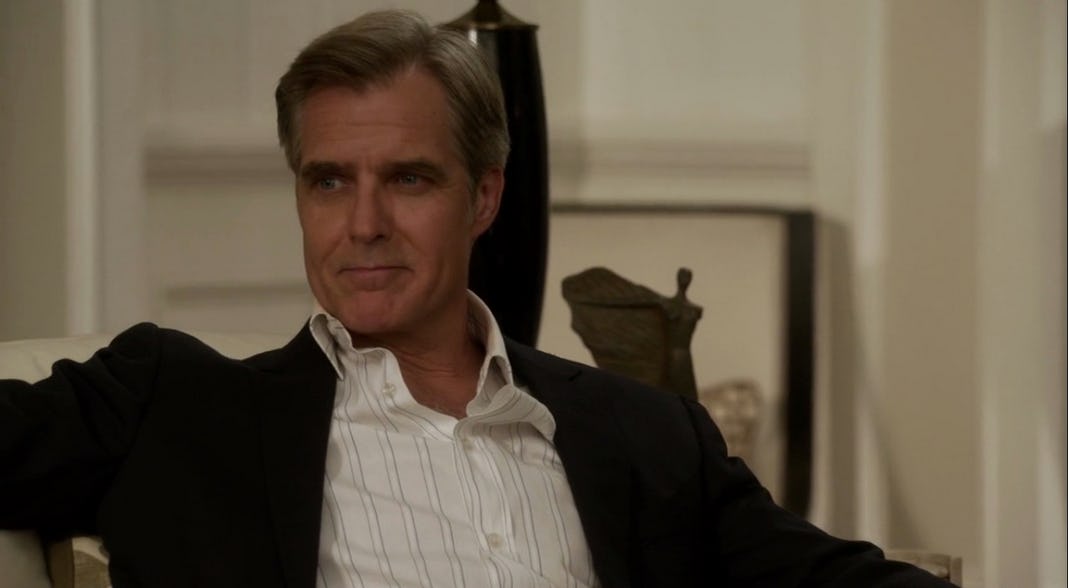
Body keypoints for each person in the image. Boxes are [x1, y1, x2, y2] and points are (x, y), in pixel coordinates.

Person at [0, 9, 955, 588]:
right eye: (329, 181)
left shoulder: (643, 434)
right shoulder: (170, 403)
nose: (362, 224)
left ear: (484, 197)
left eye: (408, 179)